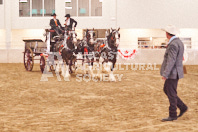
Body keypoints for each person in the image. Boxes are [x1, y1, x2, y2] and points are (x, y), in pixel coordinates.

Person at [160, 25, 188, 122]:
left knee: (171, 92)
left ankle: (173, 114)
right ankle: (182, 106)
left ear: (167, 34)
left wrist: (166, 73)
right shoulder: (179, 42)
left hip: (172, 73)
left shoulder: (172, 44)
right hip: (176, 72)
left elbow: (171, 60)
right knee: (167, 90)